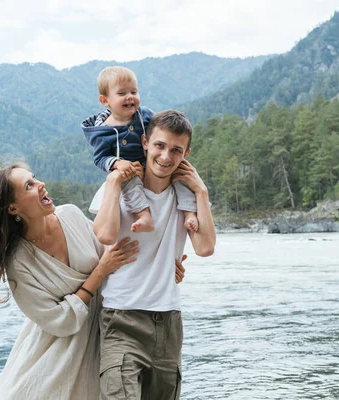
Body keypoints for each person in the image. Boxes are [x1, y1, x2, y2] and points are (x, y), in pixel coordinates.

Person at [0, 162, 186, 400]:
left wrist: (163, 267)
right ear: (13, 208)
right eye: (29, 186)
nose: (41, 184)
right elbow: (58, 321)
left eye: (35, 178)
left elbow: (115, 254)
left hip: (106, 335)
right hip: (56, 354)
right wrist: (99, 273)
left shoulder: (71, 215)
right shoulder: (18, 262)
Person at [92, 110, 216, 399]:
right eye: (159, 145)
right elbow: (106, 235)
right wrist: (112, 181)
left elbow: (205, 248)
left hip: (168, 323)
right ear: (145, 142)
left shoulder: (187, 198)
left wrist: (202, 192)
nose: (165, 156)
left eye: (176, 150)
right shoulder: (120, 188)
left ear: (186, 153)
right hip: (121, 319)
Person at [82, 66, 199, 234]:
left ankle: (189, 213)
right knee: (131, 187)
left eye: (134, 92)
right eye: (122, 93)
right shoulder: (102, 131)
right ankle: (144, 215)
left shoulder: (144, 115)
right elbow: (100, 158)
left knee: (180, 176)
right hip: (130, 170)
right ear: (105, 100)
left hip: (153, 164)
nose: (130, 97)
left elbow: (161, 130)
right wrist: (117, 163)